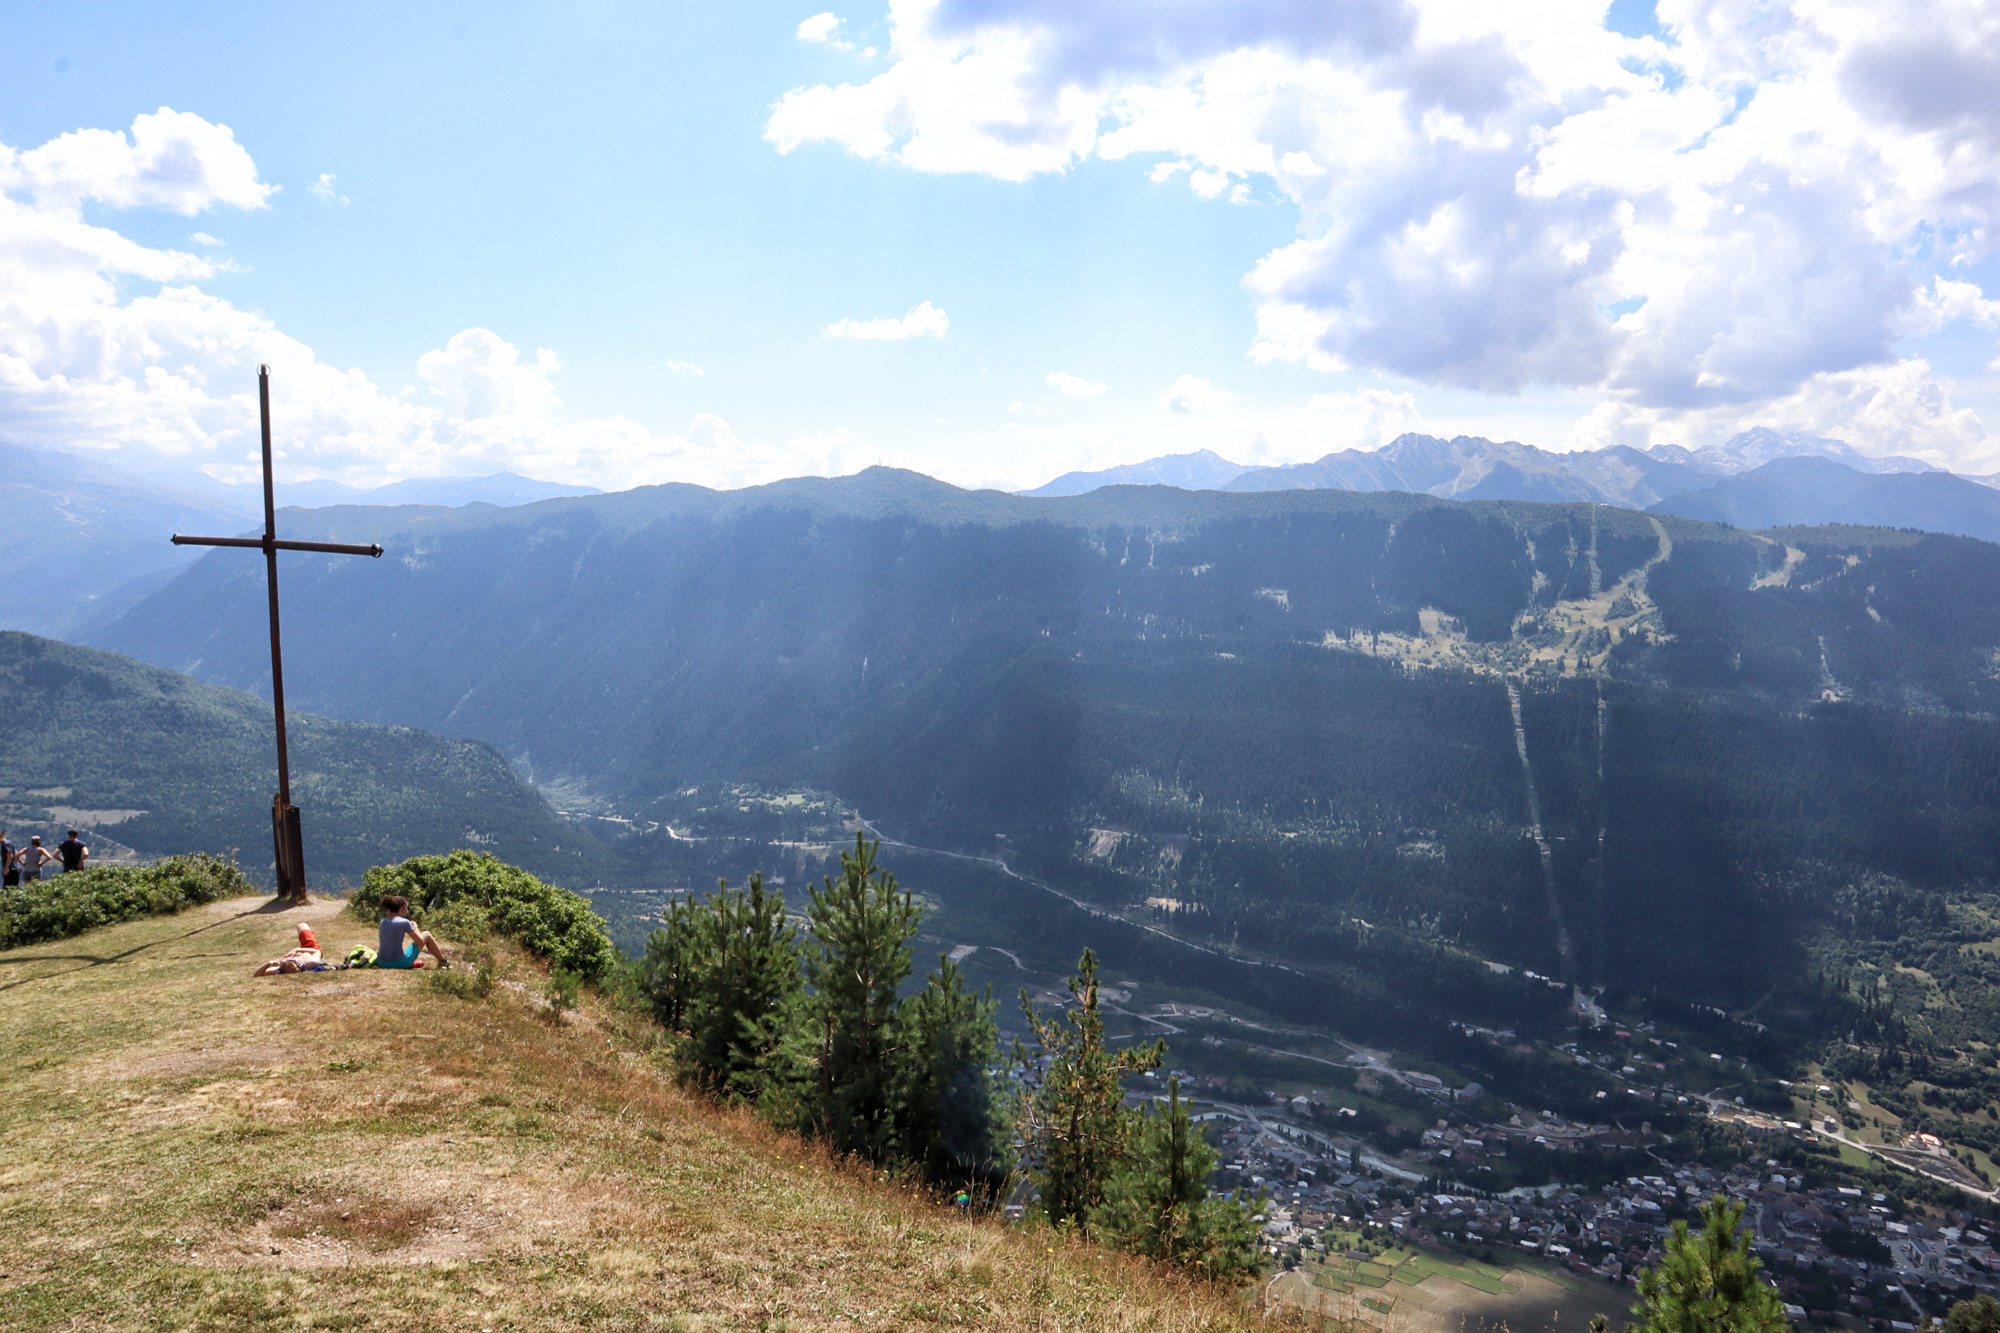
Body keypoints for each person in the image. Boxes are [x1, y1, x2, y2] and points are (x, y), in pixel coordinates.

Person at [375, 895, 449, 970]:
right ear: (403, 908)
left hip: (381, 963)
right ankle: (443, 961)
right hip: (399, 963)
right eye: (407, 908)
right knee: (427, 934)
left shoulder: (383, 921)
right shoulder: (405, 922)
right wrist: (415, 927)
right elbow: (420, 942)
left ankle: (410, 963)